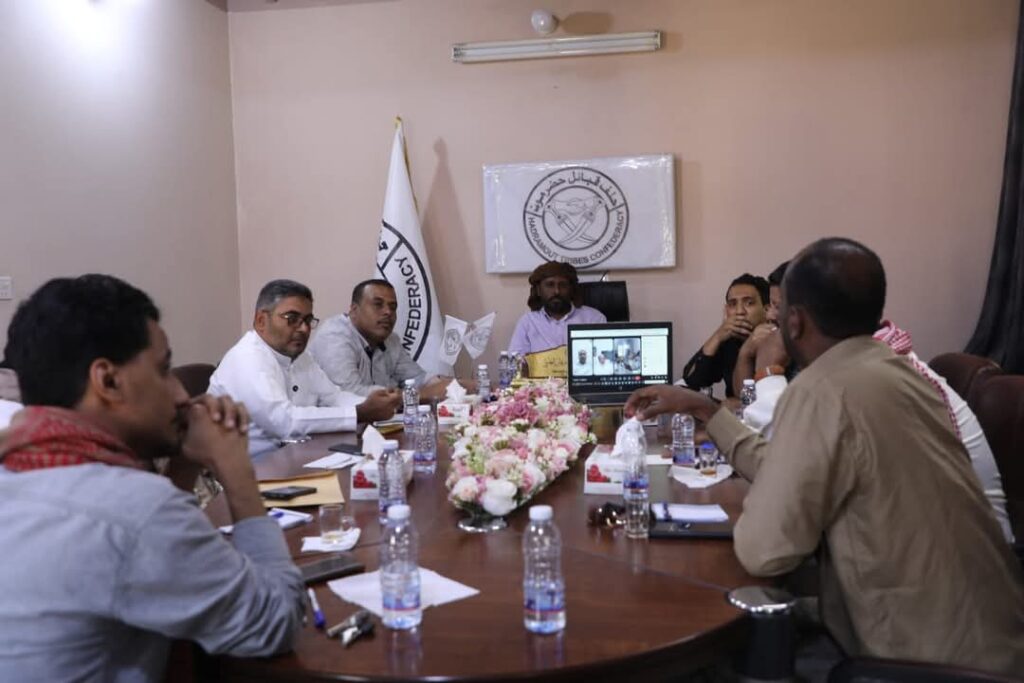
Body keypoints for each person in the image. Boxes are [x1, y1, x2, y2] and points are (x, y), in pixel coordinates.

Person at [626, 238, 1024, 673]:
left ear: (794, 322)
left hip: (914, 659)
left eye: (777, 311)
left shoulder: (823, 389)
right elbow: (793, 468)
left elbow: (765, 551)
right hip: (987, 635)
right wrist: (705, 408)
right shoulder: (902, 372)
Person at [0, 274, 304, 682]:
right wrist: (236, 471)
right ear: (108, 381)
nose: (180, 394)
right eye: (163, 370)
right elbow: (275, 622)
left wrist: (184, 465)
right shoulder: (135, 508)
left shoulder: (20, 465)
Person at [740, 318, 1014, 543]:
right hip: (929, 548)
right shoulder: (879, 363)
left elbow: (793, 468)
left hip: (960, 568)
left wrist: (768, 372)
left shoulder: (880, 381)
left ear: (797, 324)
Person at [208, 279, 399, 455]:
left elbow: (333, 397)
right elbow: (284, 421)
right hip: (249, 467)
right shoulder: (247, 358)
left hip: (292, 456)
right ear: (261, 321)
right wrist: (360, 413)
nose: (304, 329)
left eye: (307, 320)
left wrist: (378, 405)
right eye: (291, 318)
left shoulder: (300, 357)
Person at [309, 279, 469, 401]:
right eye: (378, 305)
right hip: (331, 430)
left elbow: (418, 379)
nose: (387, 312)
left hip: (377, 424)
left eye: (393, 307)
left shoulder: (390, 340)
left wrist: (456, 385)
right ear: (354, 310)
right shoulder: (334, 336)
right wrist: (416, 395)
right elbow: (349, 395)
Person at [681, 273, 770, 398]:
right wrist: (717, 336)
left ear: (767, 310)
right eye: (733, 304)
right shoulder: (729, 341)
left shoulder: (777, 340)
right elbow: (691, 381)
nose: (739, 311)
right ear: (726, 311)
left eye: (749, 303)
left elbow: (748, 399)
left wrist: (746, 351)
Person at [508, 261, 606, 355]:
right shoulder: (528, 322)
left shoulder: (594, 319)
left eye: (563, 285)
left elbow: (603, 357)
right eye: (550, 285)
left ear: (571, 289)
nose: (556, 291)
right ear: (538, 290)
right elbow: (515, 360)